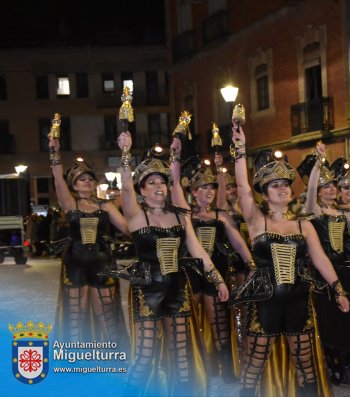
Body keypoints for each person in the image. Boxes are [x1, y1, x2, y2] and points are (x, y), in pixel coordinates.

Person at [230, 124, 350, 397]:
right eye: (275, 185)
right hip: (265, 301)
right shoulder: (257, 221)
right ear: (265, 191)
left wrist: (338, 289)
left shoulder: (302, 225)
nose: (282, 188)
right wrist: (239, 149)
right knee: (255, 362)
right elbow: (241, 186)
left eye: (285, 184)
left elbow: (320, 259)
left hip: (298, 298)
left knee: (305, 361)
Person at [116, 131, 229, 396]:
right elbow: (124, 189)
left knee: (181, 356)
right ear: (141, 189)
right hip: (147, 289)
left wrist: (218, 279)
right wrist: (125, 154)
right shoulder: (136, 215)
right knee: (145, 354)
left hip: (178, 288)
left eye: (163, 182)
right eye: (151, 182)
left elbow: (198, 250)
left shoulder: (180, 217)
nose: (159, 187)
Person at [170, 139, 253, 382]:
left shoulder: (221, 215)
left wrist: (252, 265)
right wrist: (175, 157)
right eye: (203, 188)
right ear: (193, 191)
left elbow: (238, 242)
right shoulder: (184, 213)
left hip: (214, 273)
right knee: (185, 324)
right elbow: (174, 185)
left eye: (211, 187)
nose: (208, 191)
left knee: (219, 323)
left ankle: (227, 370)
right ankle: (191, 369)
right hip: (189, 273)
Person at [49, 136, 129, 343]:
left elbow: (128, 229)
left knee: (108, 316)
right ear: (74, 185)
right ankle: (74, 360)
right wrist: (55, 153)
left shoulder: (106, 206)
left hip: (103, 263)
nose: (87, 181)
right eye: (81, 179)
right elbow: (58, 180)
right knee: (75, 316)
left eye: (90, 178)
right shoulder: (70, 205)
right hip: (75, 263)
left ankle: (115, 359)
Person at [302, 142, 350, 268]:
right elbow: (311, 189)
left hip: (343, 264)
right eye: (326, 187)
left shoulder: (342, 212)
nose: (332, 189)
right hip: (323, 264)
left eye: (333, 186)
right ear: (319, 193)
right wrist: (317, 164)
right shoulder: (315, 210)